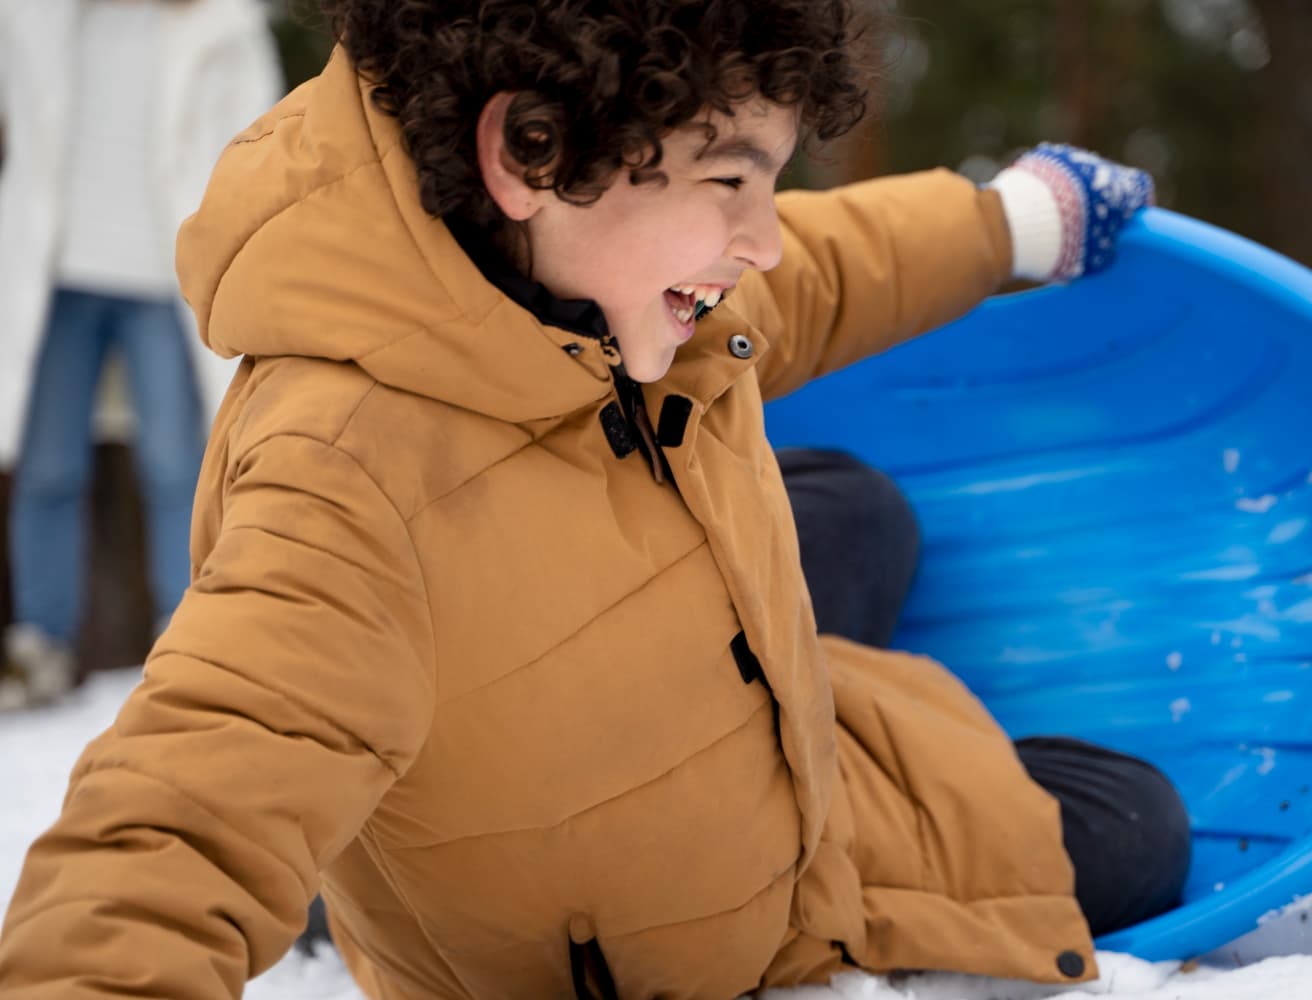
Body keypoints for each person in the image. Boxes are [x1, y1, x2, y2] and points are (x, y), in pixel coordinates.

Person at [0, 2, 1189, 997]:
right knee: (1135, 823)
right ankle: (345, 856)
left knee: (860, 510)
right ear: (530, 153)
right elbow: (177, 820)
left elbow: (823, 270)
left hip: (685, 720)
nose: (761, 240)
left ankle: (371, 820)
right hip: (715, 897)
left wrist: (1006, 224)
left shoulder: (603, 273)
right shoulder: (348, 474)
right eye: (731, 179)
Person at [0, 0, 283, 710]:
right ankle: (40, 644)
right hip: (57, 270)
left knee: (178, 465)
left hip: (167, 273)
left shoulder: (221, 22)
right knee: (49, 467)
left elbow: (264, 142)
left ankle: (188, 636)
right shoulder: (35, 14)